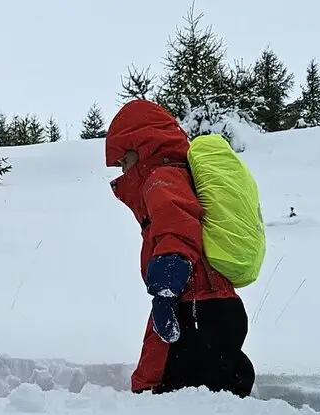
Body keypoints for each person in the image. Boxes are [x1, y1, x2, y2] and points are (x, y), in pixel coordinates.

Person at [103, 99, 254, 397]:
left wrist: (165, 288)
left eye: (124, 160)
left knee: (182, 395)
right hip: (209, 303)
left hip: (195, 306)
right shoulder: (177, 174)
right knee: (208, 382)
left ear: (142, 146)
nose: (123, 170)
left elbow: (177, 228)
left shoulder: (160, 178)